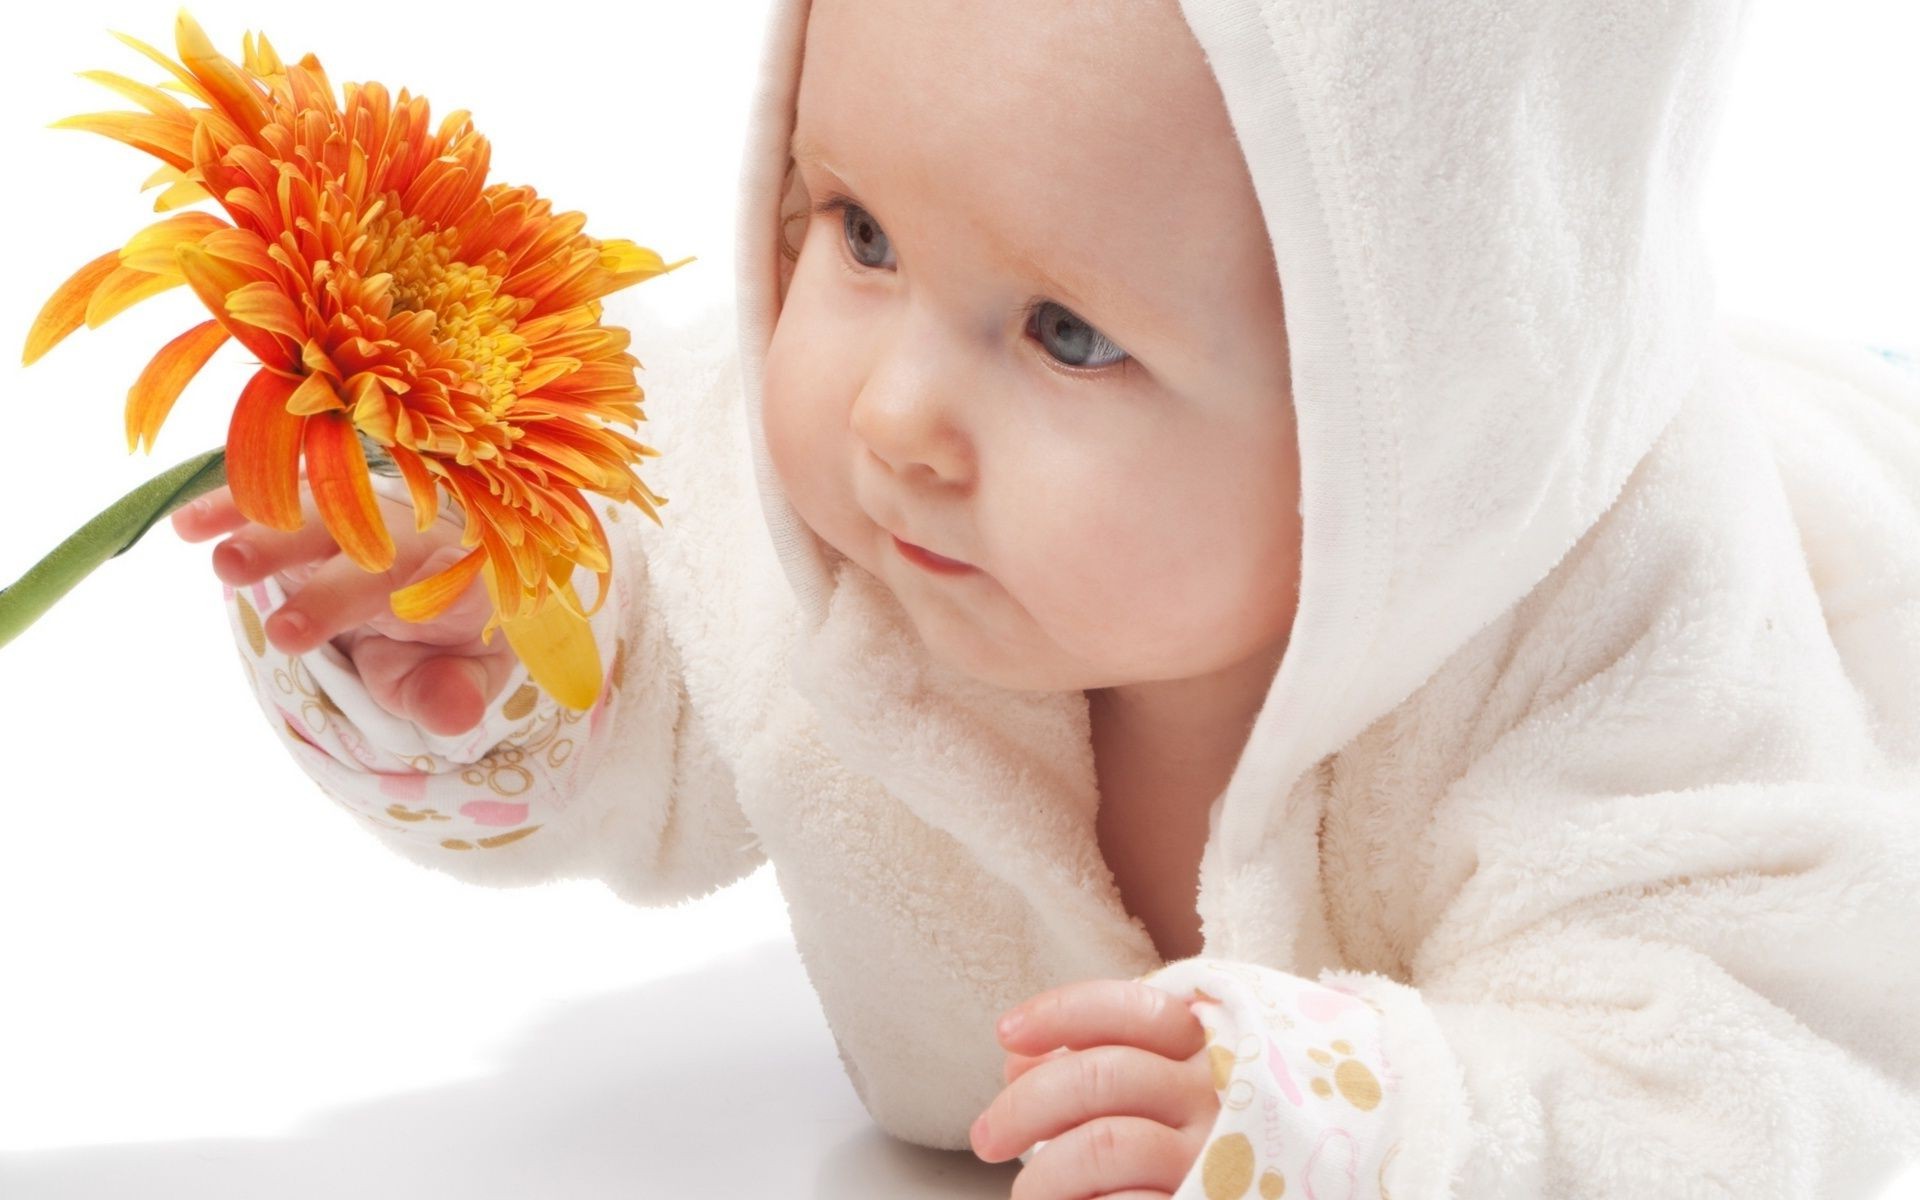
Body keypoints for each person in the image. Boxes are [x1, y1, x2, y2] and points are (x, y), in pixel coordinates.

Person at [171, 0, 1920, 1195]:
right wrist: (476, 629)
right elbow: (651, 659)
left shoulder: (1620, 646)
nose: (892, 415)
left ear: (1421, 406)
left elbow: (1773, 1082)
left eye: (1068, 333)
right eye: (854, 227)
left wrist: (1374, 1133)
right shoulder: (861, 489)